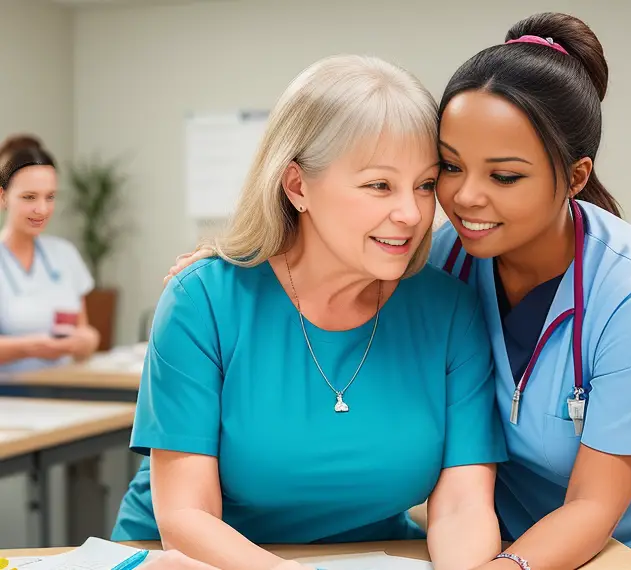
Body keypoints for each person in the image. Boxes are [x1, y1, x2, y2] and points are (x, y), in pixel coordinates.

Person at [169, 13, 631, 570]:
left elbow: (592, 505)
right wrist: (233, 261)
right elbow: (301, 257)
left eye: (505, 176)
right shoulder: (441, 260)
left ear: (574, 177)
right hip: (514, 536)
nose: (462, 199)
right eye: (448, 167)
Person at [112, 55, 508, 570]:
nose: (412, 214)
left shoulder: (449, 309)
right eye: (379, 185)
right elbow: (186, 517)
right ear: (298, 186)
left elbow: (461, 507)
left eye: (426, 185)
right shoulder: (202, 300)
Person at [0, 134, 100, 374]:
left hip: (62, 390)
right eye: (29, 197)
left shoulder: (64, 254)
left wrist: (87, 340)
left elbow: (83, 332)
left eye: (50, 197)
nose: (42, 209)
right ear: (3, 196)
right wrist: (29, 347)